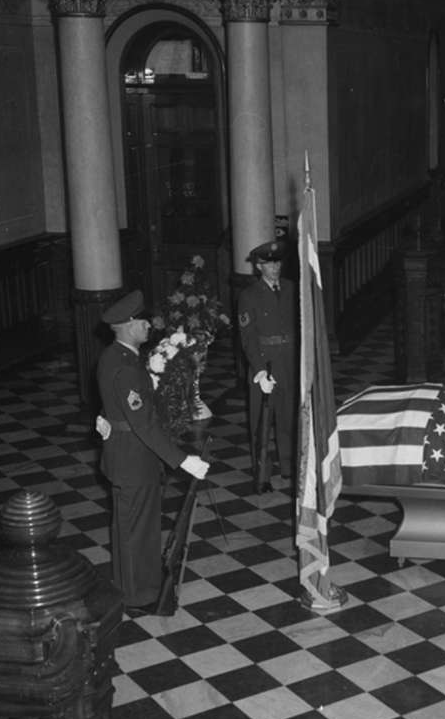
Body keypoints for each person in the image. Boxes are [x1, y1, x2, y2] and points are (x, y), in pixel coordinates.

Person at [96, 290, 210, 616]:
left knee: (136, 527)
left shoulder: (115, 357)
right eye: (143, 321)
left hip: (125, 453)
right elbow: (144, 424)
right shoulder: (128, 367)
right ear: (129, 325)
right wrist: (182, 460)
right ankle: (134, 595)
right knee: (135, 530)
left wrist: (104, 420)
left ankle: (137, 585)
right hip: (133, 456)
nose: (149, 325)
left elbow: (115, 405)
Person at [238, 234, 298, 487]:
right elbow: (248, 337)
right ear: (258, 266)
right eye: (269, 264)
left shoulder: (291, 288)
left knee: (289, 417)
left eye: (277, 263)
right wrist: (260, 371)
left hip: (290, 361)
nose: (275, 268)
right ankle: (261, 472)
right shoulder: (249, 295)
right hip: (265, 364)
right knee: (261, 421)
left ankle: (288, 466)